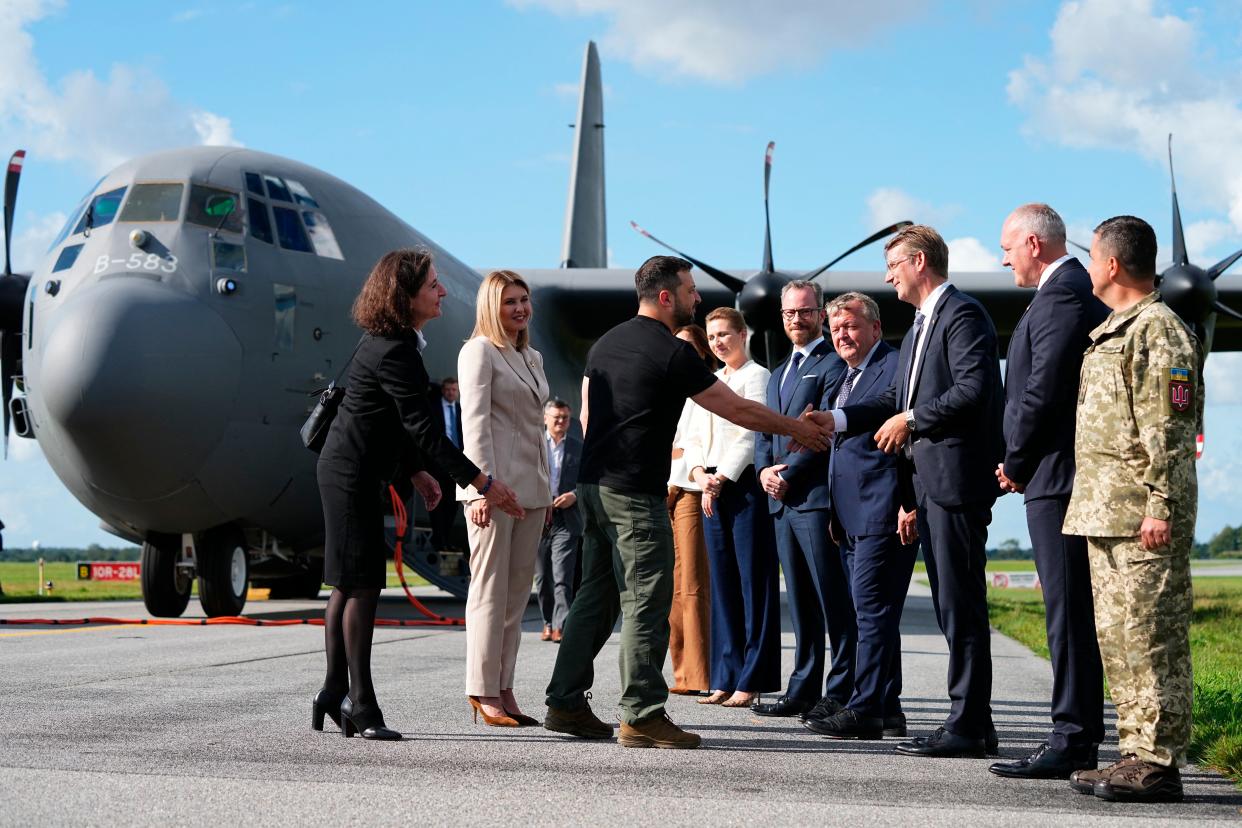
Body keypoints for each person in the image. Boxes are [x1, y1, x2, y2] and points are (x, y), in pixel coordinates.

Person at [542, 255, 834, 750]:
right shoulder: (670, 352)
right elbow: (736, 408)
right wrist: (798, 428)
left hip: (594, 487)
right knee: (647, 603)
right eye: (690, 291)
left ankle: (565, 701)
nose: (696, 299)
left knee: (595, 597)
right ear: (665, 296)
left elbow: (589, 417)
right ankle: (642, 714)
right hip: (634, 494)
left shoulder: (606, 343)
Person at [315, 248, 523, 741]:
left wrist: (417, 475)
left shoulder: (394, 341)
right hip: (352, 475)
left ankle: (331, 693)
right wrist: (482, 483)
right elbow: (426, 431)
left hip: (354, 469)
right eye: (432, 285)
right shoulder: (396, 349)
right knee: (362, 586)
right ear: (404, 296)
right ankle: (360, 705)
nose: (443, 290)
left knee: (348, 584)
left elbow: (394, 424)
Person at [832, 224, 1004, 758]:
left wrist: (912, 418)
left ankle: (969, 727)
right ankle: (972, 721)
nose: (888, 277)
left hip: (954, 483)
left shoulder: (962, 315)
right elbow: (887, 399)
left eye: (893, 265)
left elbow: (975, 389)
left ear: (920, 262)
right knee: (953, 607)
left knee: (961, 607)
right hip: (926, 487)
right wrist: (833, 420)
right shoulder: (915, 331)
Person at [1064, 216, 1201, 803]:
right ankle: (1133, 751)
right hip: (1106, 511)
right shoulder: (1114, 331)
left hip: (1144, 515)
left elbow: (1170, 428)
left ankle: (1159, 761)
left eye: (1093, 257)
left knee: (1151, 638)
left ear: (1113, 264)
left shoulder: (1160, 332)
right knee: (1119, 639)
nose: (1089, 267)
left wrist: (1162, 505)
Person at [988, 204, 1108, 780]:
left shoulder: (1061, 293)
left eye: (1007, 247)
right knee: (1068, 611)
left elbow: (1044, 386)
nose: (1003, 257)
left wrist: (1016, 459)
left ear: (1033, 243)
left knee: (1067, 614)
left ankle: (1074, 737)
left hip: (1056, 477)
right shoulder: (1060, 292)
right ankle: (1074, 731)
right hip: (1053, 473)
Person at [803, 292, 915, 740]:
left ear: (874, 326)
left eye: (850, 327)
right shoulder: (844, 376)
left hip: (883, 507)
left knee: (871, 611)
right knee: (872, 612)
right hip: (849, 514)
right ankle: (888, 706)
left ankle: (865, 708)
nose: (842, 336)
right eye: (835, 330)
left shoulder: (893, 365)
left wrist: (909, 503)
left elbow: (889, 409)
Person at [457, 269, 552, 728]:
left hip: (531, 491)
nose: (519, 308)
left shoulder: (531, 356)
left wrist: (547, 489)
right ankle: (481, 689)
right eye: (509, 301)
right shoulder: (478, 352)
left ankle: (505, 687)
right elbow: (473, 426)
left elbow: (535, 430)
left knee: (517, 598)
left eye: (524, 300)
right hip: (493, 493)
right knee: (489, 594)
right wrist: (478, 490)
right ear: (491, 307)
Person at [753, 280, 852, 720]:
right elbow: (763, 430)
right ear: (782, 317)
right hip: (781, 503)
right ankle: (803, 687)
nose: (798, 319)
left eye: (806, 311)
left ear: (820, 314)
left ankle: (842, 689)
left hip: (811, 499)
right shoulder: (777, 373)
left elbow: (825, 433)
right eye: (790, 313)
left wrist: (787, 475)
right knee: (801, 604)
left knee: (833, 600)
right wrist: (762, 471)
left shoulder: (832, 366)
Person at [681, 307, 780, 708]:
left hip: (741, 490)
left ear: (743, 334)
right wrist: (699, 472)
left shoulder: (757, 376)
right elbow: (690, 434)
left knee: (752, 585)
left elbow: (751, 431)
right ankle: (725, 675)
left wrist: (721, 478)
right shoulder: (712, 379)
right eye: (713, 336)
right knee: (721, 585)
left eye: (726, 334)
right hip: (709, 488)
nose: (719, 342)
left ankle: (752, 678)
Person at [666, 324, 715, 696]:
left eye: (687, 347)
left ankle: (699, 673)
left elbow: (692, 447)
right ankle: (682, 670)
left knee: (692, 585)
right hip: (662, 490)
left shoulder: (707, 390)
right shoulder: (666, 387)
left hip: (688, 489)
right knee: (671, 587)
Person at [535, 398, 584, 643]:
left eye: (565, 418)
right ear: (545, 418)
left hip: (567, 519)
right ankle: (546, 622)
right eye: (557, 418)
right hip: (538, 518)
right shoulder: (533, 445)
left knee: (563, 576)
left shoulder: (578, 447)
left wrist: (574, 496)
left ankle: (560, 626)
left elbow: (587, 482)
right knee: (543, 578)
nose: (561, 422)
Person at [428, 376, 464, 551]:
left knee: (452, 502)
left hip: (456, 462)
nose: (451, 393)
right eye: (448, 389)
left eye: (454, 390)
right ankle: (438, 539)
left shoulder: (461, 410)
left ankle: (446, 539)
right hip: (438, 461)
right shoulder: (434, 407)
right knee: (437, 500)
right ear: (443, 391)